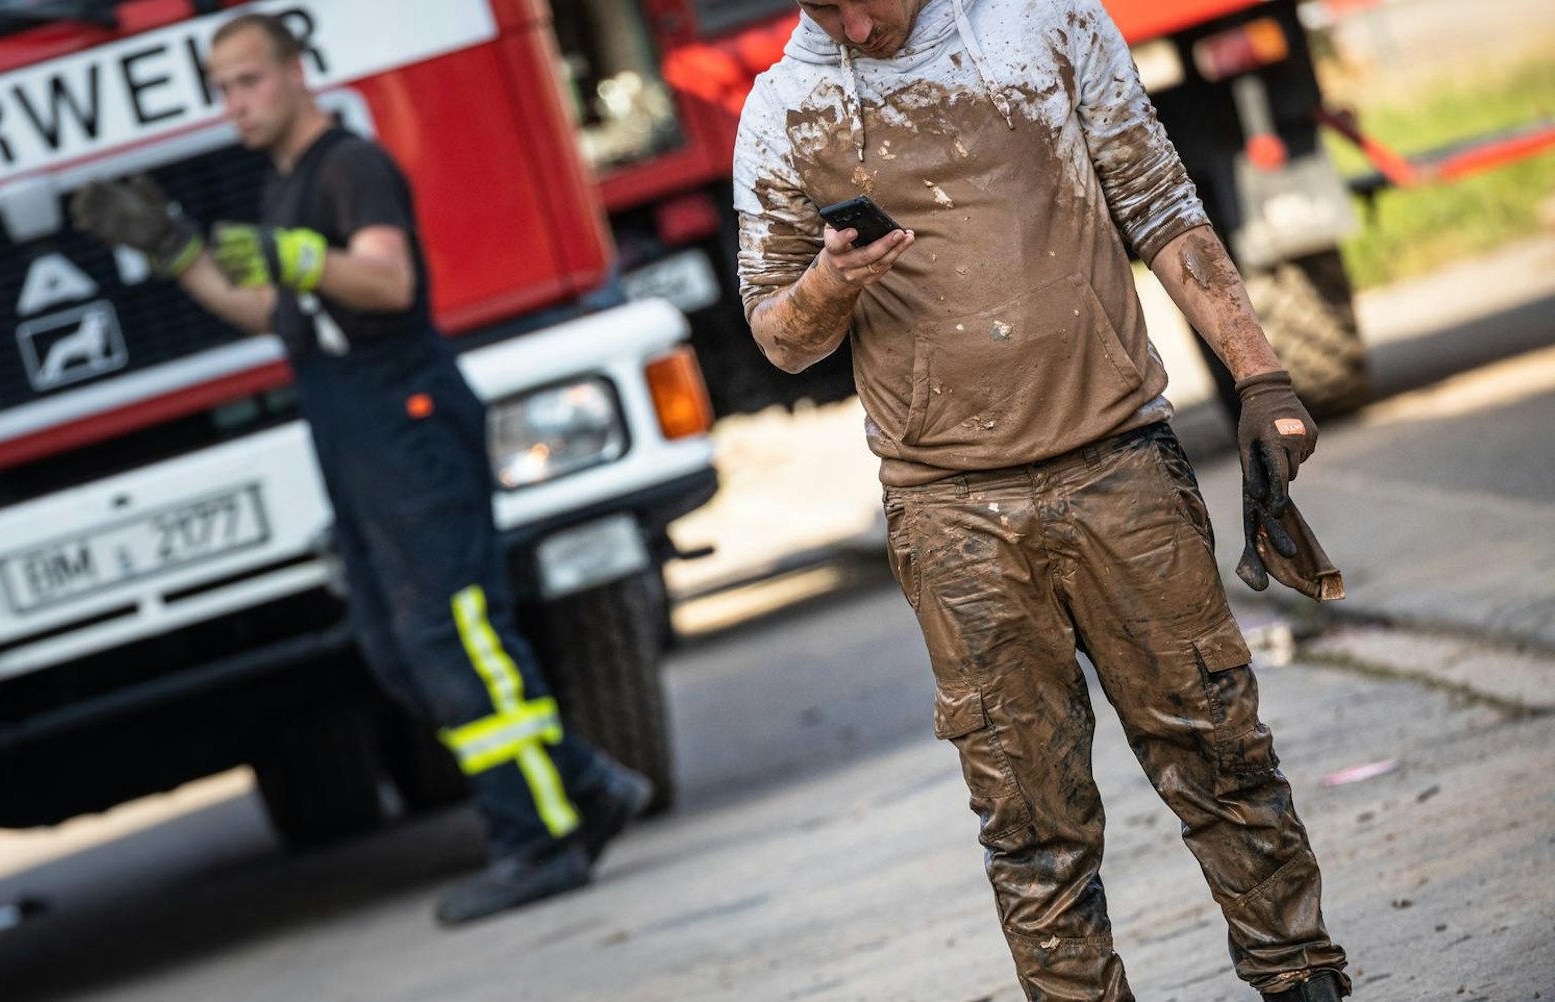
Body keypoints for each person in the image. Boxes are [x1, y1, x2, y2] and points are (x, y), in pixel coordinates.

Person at [732, 1, 1350, 999]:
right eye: (820, 7)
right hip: (948, 513)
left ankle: (1300, 980)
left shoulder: (1045, 25)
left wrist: (1261, 378)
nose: (851, 26)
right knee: (1030, 830)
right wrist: (828, 284)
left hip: (1117, 466)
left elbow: (1160, 205)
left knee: (1222, 761)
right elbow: (779, 336)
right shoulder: (784, 110)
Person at [65, 13, 651, 926]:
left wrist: (299, 257)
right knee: (399, 648)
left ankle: (540, 839)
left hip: (408, 428)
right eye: (222, 89)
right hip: (359, 444)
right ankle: (588, 786)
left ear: (298, 72)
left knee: (460, 638)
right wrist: (174, 250)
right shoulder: (285, 186)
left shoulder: (349, 166)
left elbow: (390, 281)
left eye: (250, 80)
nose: (237, 103)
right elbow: (273, 310)